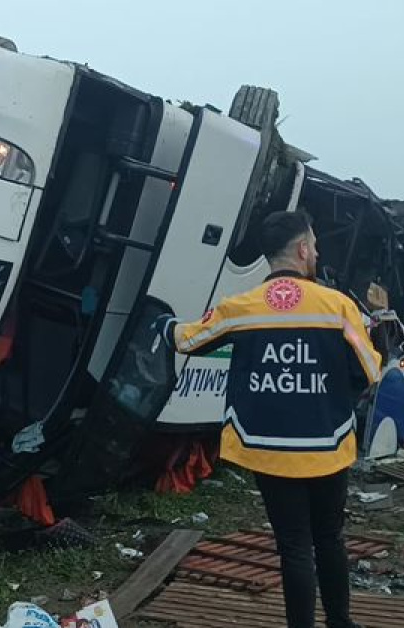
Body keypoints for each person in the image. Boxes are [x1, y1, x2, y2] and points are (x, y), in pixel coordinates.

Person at [153, 211, 379, 628]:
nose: (318, 251)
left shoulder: (240, 307)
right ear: (303, 249)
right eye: (315, 243)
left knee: (293, 544)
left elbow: (188, 339)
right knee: (329, 538)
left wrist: (161, 324)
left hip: (266, 447)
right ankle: (341, 623)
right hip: (326, 446)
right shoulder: (338, 306)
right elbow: (369, 371)